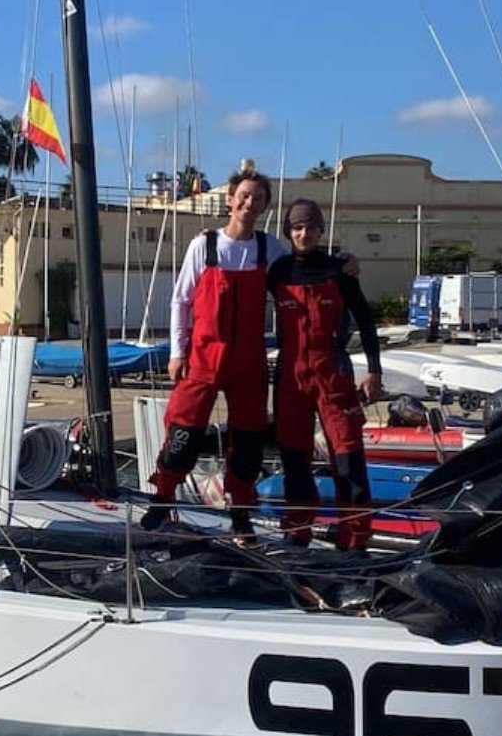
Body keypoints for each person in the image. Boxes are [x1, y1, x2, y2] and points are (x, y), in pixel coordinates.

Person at [143, 160, 358, 537]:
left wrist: (342, 262)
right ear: (230, 200)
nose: (249, 203)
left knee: (247, 442)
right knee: (183, 434)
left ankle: (240, 513)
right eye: (244, 196)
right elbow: (181, 301)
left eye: (257, 199)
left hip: (249, 362)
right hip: (205, 357)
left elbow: (305, 268)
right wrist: (177, 352)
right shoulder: (204, 245)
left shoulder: (269, 249)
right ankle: (162, 499)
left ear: (264, 206)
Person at [269, 198, 384, 549]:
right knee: (294, 458)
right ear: (289, 232)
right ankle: (297, 534)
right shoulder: (278, 272)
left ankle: (356, 539)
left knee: (348, 457)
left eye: (311, 227)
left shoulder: (339, 271)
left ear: (320, 230)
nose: (304, 233)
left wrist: (374, 371)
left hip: (332, 373)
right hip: (290, 377)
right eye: (297, 227)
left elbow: (365, 321)